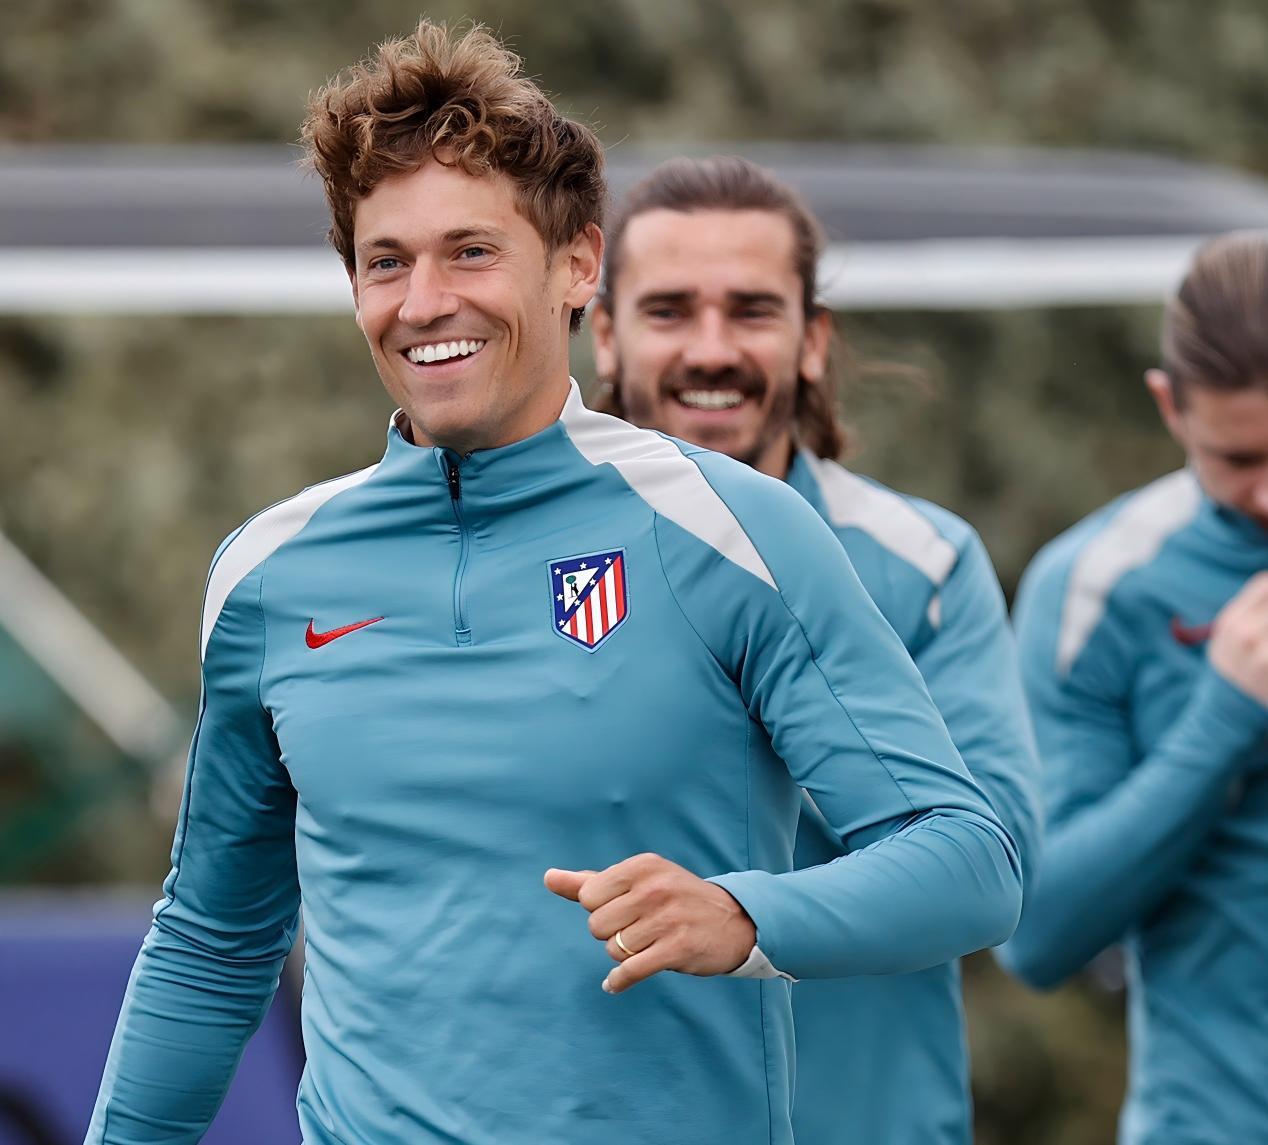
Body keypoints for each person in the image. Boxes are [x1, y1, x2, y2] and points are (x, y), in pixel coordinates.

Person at [84, 22, 1023, 1145]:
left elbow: (969, 859)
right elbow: (210, 941)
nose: (424, 301)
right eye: (386, 261)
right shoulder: (267, 573)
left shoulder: (730, 529)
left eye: (471, 251)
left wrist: (743, 914)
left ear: (578, 265)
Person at [592, 155, 1042, 1145]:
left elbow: (996, 855)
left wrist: (746, 891)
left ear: (812, 339)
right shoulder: (542, 567)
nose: (712, 349)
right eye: (669, 310)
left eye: (752, 310)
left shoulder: (921, 562)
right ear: (606, 334)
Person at [1000, 232, 1268, 1144]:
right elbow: (1037, 934)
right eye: (1236, 460)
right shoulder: (1096, 585)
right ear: (1170, 405)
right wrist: (1224, 717)